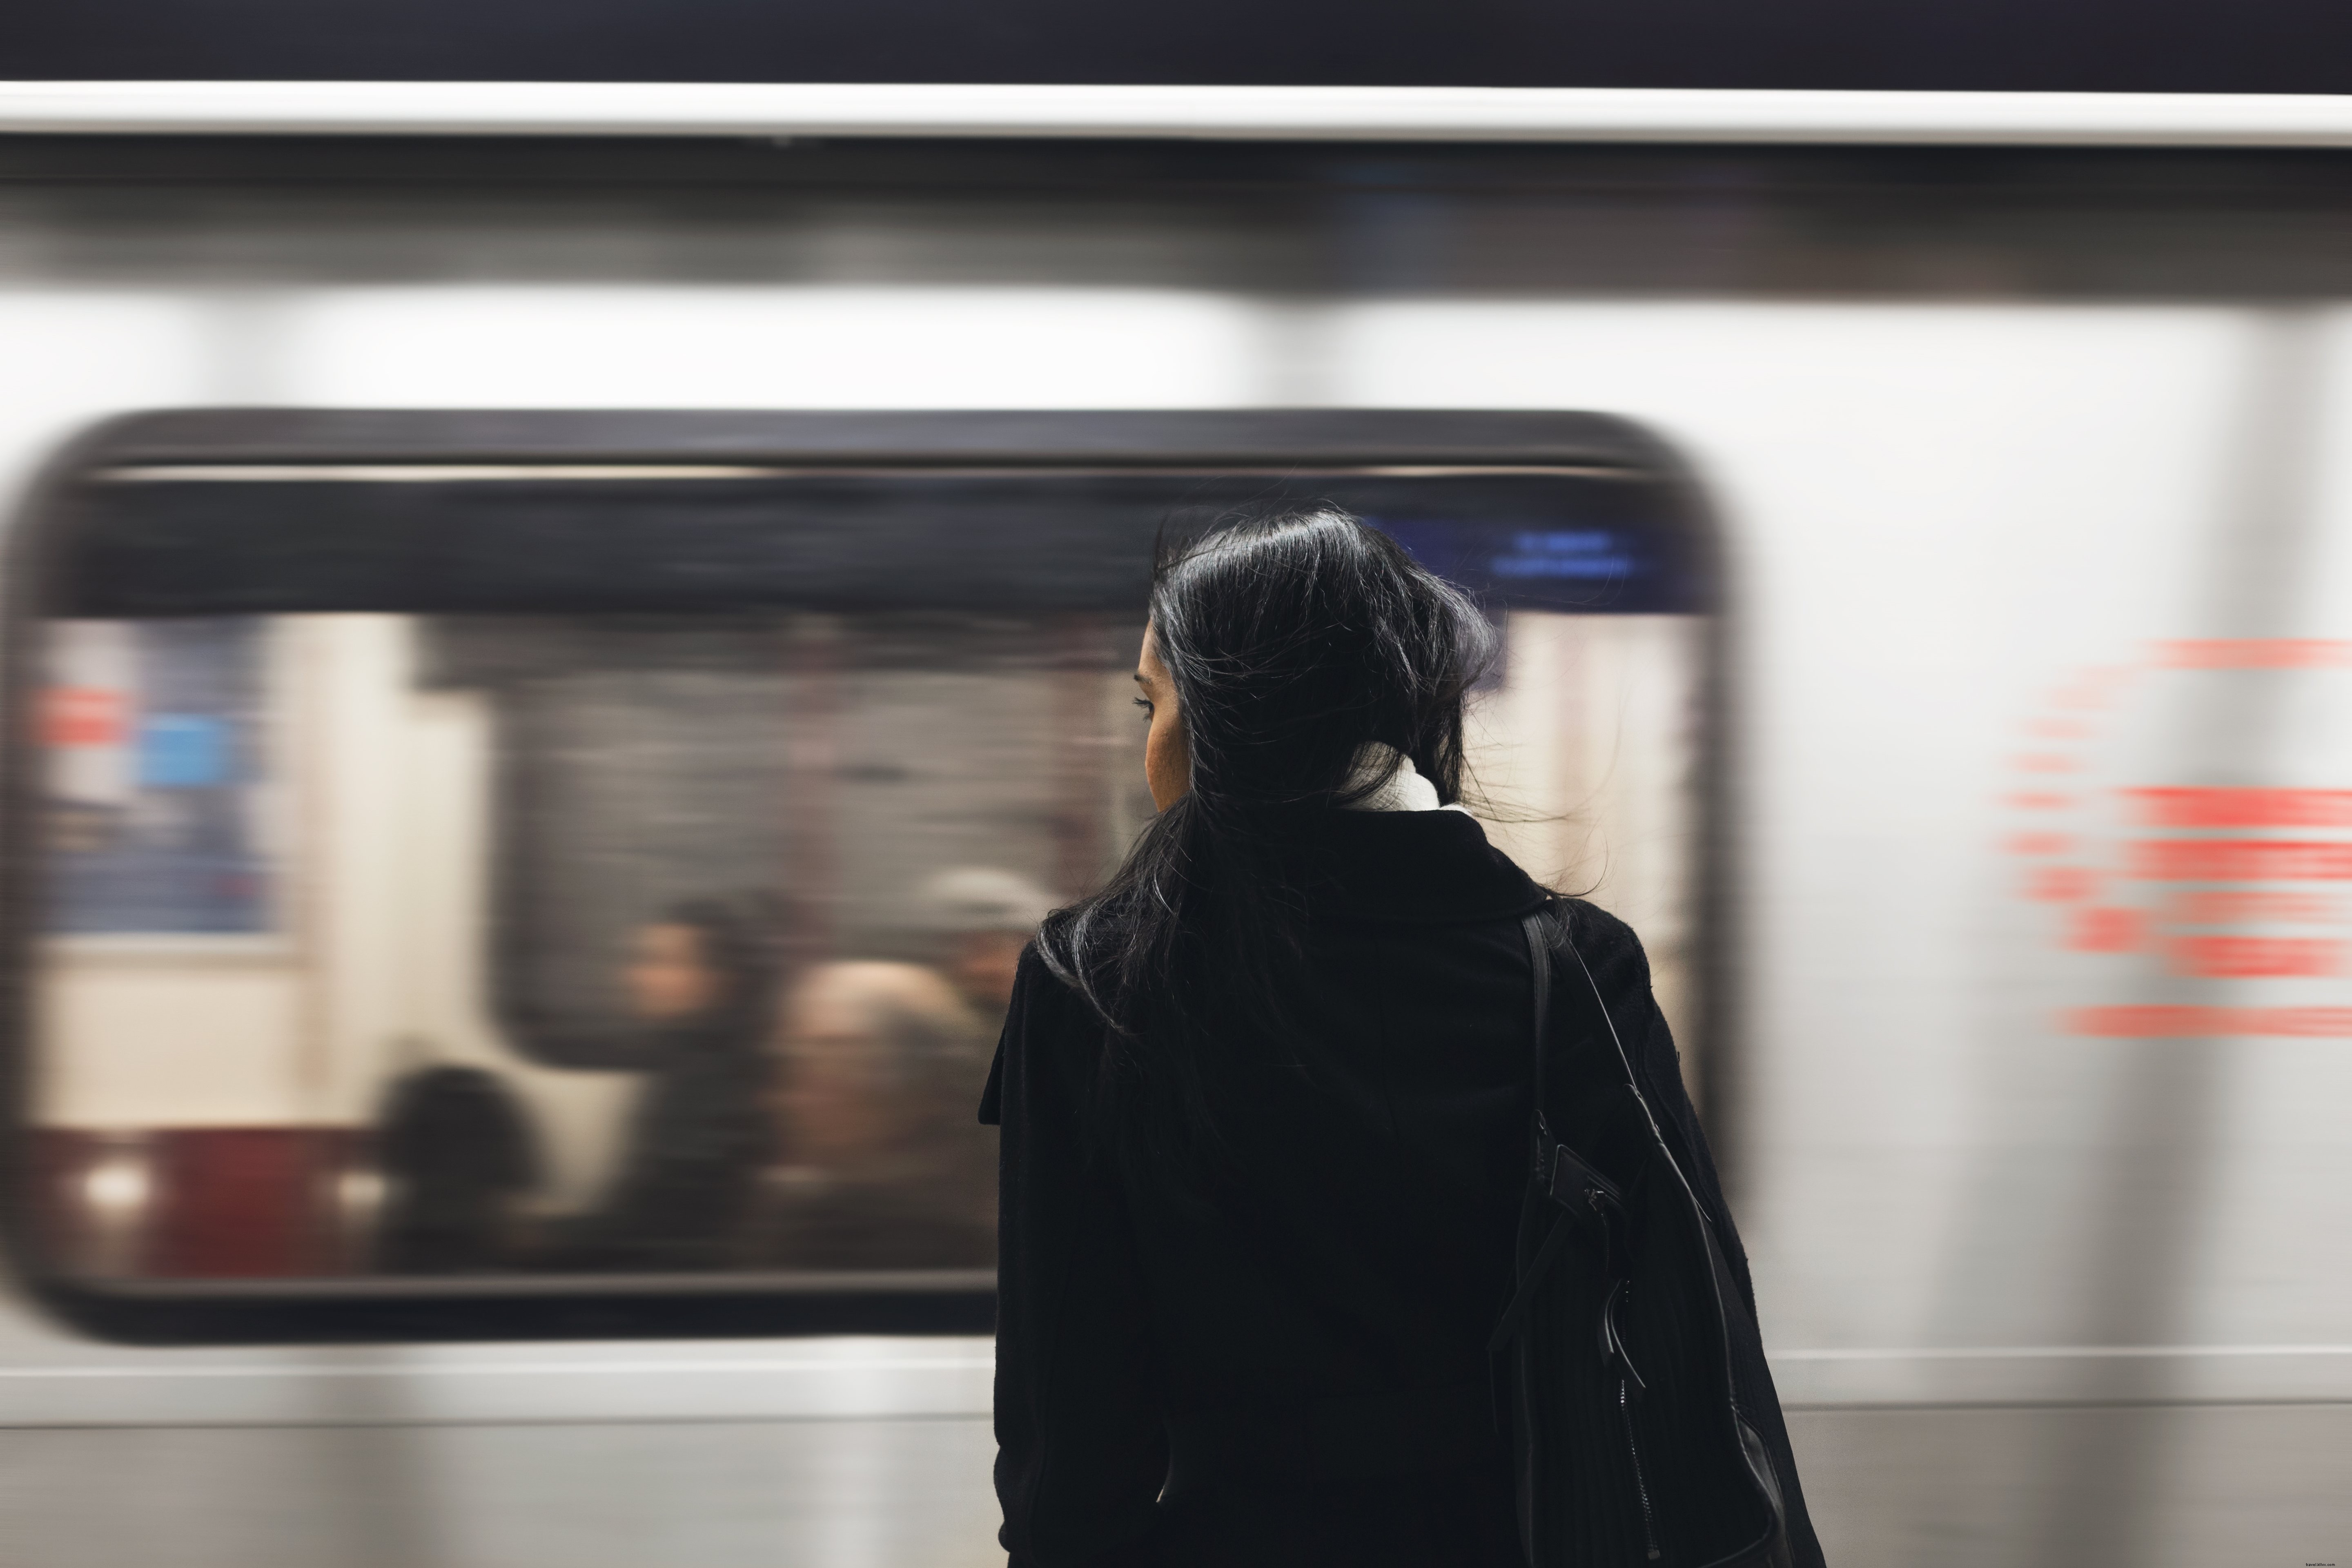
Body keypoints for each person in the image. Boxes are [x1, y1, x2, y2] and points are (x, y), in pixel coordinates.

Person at [981, 510, 1824, 1568]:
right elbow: (1700, 1357)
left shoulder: (1093, 985)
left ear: (1229, 721)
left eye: (1155, 706)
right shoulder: (1572, 970)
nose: (1147, 749)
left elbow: (1066, 1453)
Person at [757, 868, 1046, 1269]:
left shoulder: (1035, 1038)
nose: (992, 964)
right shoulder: (917, 1039)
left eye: (1008, 947)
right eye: (975, 947)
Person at [550, 893, 780, 1270]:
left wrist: (546, 1239)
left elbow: (649, 1224)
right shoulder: (691, 1058)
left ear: (718, 982)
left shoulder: (708, 1078)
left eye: (661, 963)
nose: (635, 977)